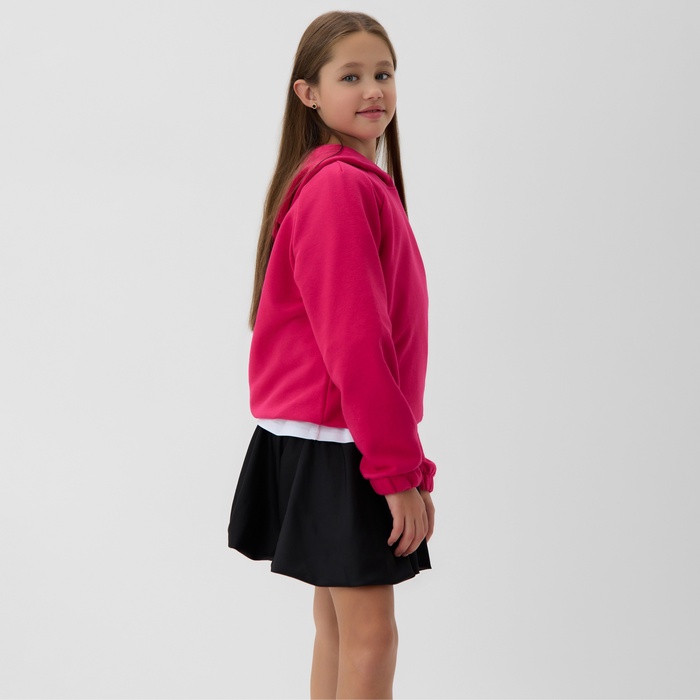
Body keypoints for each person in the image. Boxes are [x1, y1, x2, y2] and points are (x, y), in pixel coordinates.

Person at [227, 10, 437, 699]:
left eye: (383, 73)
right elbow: (356, 345)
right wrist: (397, 471)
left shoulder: (338, 179)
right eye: (350, 77)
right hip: (342, 443)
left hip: (326, 437)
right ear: (308, 93)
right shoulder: (341, 186)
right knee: (371, 636)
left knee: (339, 627)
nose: (373, 89)